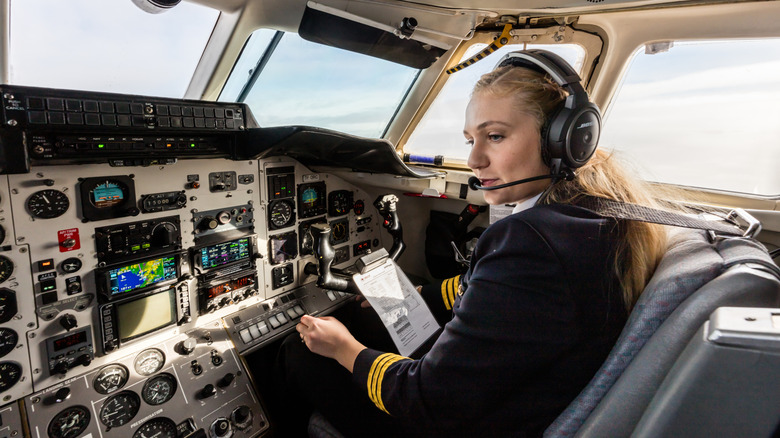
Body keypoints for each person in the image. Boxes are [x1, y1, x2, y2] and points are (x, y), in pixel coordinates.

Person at [277, 49, 670, 437]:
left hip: (457, 418)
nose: (475, 160)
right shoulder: (596, 214)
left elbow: (425, 400)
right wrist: (418, 295)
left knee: (300, 354)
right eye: (470, 140)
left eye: (495, 136)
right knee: (367, 319)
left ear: (561, 140)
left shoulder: (532, 239)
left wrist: (342, 348)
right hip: (525, 398)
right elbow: (495, 294)